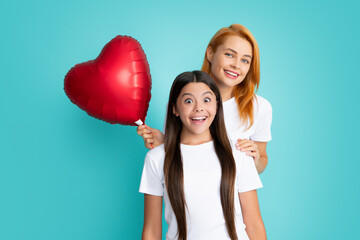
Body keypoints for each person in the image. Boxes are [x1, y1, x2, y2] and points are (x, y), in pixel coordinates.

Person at [139, 71, 266, 240]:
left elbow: (254, 224)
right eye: (188, 101)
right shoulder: (156, 159)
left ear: (216, 106)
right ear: (175, 108)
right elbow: (151, 231)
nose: (199, 108)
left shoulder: (238, 154)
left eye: (206, 100)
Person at [137, 24, 272, 174]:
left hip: (236, 196)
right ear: (210, 53)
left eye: (245, 60)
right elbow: (178, 160)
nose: (236, 65)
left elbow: (261, 161)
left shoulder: (260, 107)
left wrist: (256, 160)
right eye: (229, 54)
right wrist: (164, 143)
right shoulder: (182, 101)